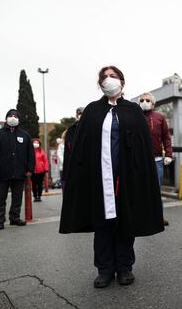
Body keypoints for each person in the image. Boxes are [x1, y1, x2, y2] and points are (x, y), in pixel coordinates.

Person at [59, 65, 164, 289]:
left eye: (113, 76)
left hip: (126, 176)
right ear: (100, 84)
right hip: (99, 177)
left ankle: (125, 266)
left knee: (125, 221)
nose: (109, 80)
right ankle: (105, 268)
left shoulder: (133, 111)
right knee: (103, 223)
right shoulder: (92, 111)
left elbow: (143, 146)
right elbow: (81, 147)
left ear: (122, 83)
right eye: (105, 77)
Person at [0, 109, 35, 230]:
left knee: (17, 197)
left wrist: (30, 169)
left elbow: (31, 154)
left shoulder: (25, 135)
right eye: (10, 115)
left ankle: (14, 218)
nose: (13, 117)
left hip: (19, 172)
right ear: (6, 118)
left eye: (15, 116)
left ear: (19, 119)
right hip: (1, 173)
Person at [138, 92, 173, 226]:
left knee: (156, 190)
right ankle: (141, 216)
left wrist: (169, 154)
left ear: (153, 103)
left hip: (157, 159)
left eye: (147, 100)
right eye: (142, 100)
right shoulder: (135, 117)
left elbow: (166, 137)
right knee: (139, 189)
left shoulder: (160, 117)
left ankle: (158, 216)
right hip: (139, 160)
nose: (144, 102)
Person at [61, 107, 84, 187]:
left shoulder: (90, 127)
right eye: (79, 114)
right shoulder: (71, 129)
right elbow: (70, 146)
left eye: (82, 113)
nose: (81, 115)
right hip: (74, 164)